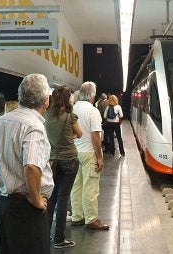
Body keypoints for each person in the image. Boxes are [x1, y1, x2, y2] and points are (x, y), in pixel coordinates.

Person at [0, 73, 54, 254]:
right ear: (45, 100)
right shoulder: (34, 126)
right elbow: (31, 167)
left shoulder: (3, 120)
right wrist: (36, 199)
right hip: (26, 208)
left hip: (4, 205)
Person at [44, 86, 82, 249]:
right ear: (67, 100)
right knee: (63, 199)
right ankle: (59, 239)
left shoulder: (46, 116)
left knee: (51, 198)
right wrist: (71, 135)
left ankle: (46, 236)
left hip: (52, 161)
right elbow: (79, 134)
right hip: (69, 160)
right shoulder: (70, 116)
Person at [70, 81, 109, 230]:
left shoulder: (72, 108)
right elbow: (95, 137)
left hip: (74, 152)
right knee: (90, 187)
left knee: (76, 185)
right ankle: (92, 219)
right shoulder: (93, 111)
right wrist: (99, 157)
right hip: (88, 153)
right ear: (92, 95)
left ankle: (77, 216)